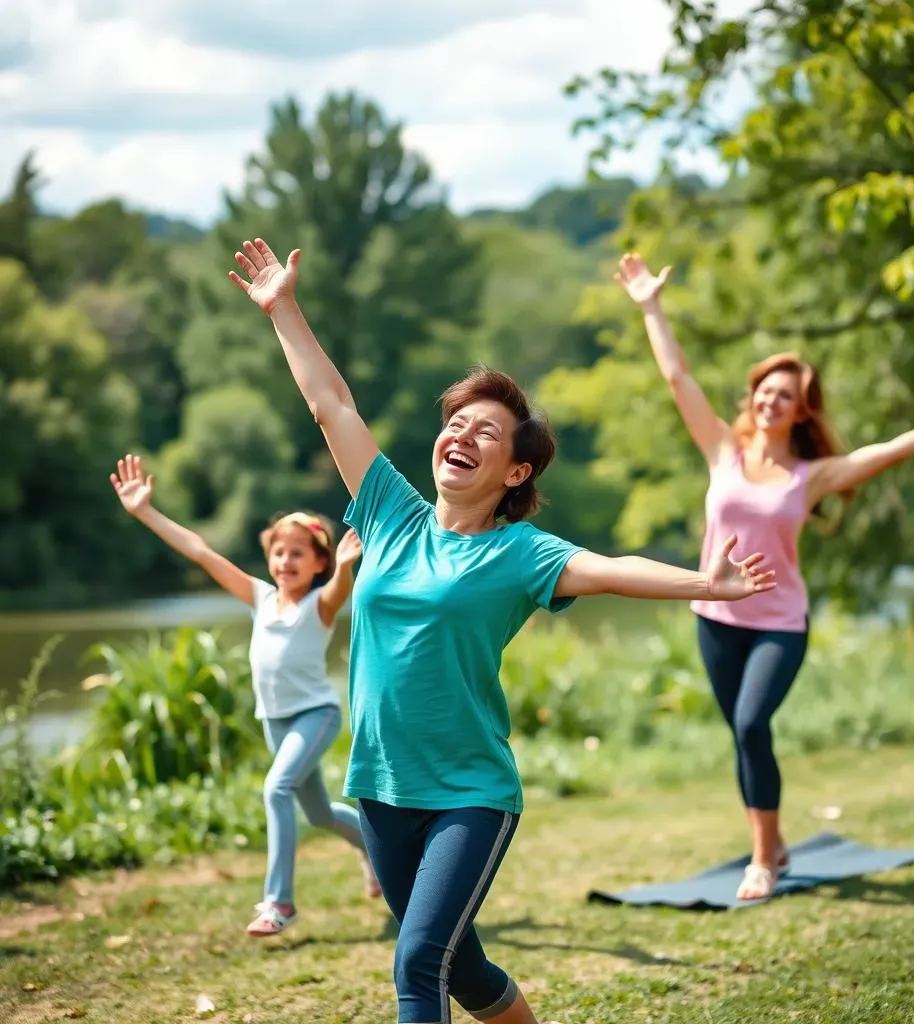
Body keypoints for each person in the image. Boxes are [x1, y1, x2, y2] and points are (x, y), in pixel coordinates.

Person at [227, 237, 776, 1024]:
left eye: (486, 433)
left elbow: (614, 567)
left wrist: (705, 582)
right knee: (465, 968)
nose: (462, 435)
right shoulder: (388, 513)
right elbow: (331, 405)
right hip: (381, 785)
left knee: (418, 962)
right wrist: (284, 308)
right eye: (457, 423)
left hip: (470, 794)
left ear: (517, 472)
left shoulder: (523, 553)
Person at [615, 251, 914, 902]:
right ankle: (772, 844)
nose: (773, 400)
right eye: (766, 389)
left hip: (779, 621)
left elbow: (888, 451)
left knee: (750, 726)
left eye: (787, 396)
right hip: (715, 618)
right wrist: (651, 305)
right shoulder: (723, 452)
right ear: (754, 398)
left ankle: (764, 860)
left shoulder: (811, 475)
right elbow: (677, 375)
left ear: (800, 411)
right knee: (743, 736)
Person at [110, 455, 381, 937]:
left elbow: (341, 592)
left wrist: (343, 568)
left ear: (317, 562)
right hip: (275, 721)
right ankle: (373, 849)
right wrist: (145, 513)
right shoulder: (258, 597)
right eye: (279, 552)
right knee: (318, 814)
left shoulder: (320, 603)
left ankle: (280, 903)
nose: (286, 561)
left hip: (315, 715)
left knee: (276, 788)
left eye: (298, 553)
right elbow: (200, 551)